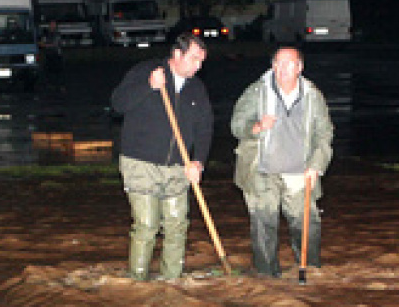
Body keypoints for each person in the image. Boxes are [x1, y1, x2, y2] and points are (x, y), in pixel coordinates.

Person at [110, 33, 213, 280]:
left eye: (202, 61)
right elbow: (118, 103)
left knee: (177, 226)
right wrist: (148, 86)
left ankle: (172, 282)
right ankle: (137, 281)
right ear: (177, 55)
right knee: (146, 225)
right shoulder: (146, 71)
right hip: (141, 163)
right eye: (194, 59)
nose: (198, 66)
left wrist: (198, 161)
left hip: (179, 166)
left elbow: (205, 127)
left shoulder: (196, 88)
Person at [230, 46, 333, 277]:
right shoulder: (257, 91)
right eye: (277, 63)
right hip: (261, 171)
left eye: (288, 63)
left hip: (299, 173)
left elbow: (324, 133)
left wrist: (317, 165)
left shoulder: (312, 95)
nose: (282, 68)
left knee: (307, 226)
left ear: (300, 67)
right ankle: (267, 279)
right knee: (263, 227)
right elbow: (237, 124)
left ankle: (312, 273)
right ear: (272, 66)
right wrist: (255, 127)